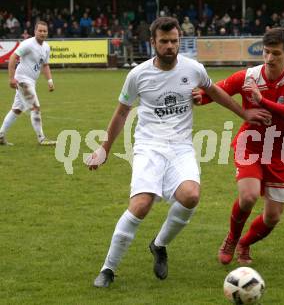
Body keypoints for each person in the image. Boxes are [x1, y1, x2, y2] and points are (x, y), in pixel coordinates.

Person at [88, 17, 270, 288]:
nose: (170, 46)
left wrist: (243, 112)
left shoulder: (193, 68)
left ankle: (159, 245)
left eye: (174, 41)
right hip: (149, 146)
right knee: (141, 205)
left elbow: (215, 91)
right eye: (164, 42)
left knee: (190, 195)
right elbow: (121, 113)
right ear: (153, 43)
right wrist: (104, 149)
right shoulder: (137, 75)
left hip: (181, 147)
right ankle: (108, 269)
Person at [194, 27, 284, 264]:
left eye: (276, 53)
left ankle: (245, 244)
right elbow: (215, 91)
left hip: (280, 151)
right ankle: (232, 239)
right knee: (248, 197)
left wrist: (262, 101)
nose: (269, 58)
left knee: (273, 217)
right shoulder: (248, 77)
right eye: (266, 52)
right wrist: (199, 97)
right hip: (251, 145)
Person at [0, 21, 57, 146]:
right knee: (35, 107)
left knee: (17, 109)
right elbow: (12, 58)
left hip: (31, 81)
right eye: (40, 30)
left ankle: (1, 136)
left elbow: (45, 65)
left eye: (44, 31)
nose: (42, 33)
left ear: (47, 32)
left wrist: (50, 81)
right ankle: (42, 139)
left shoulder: (46, 47)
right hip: (22, 80)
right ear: (35, 31)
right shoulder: (28, 44)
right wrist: (11, 78)